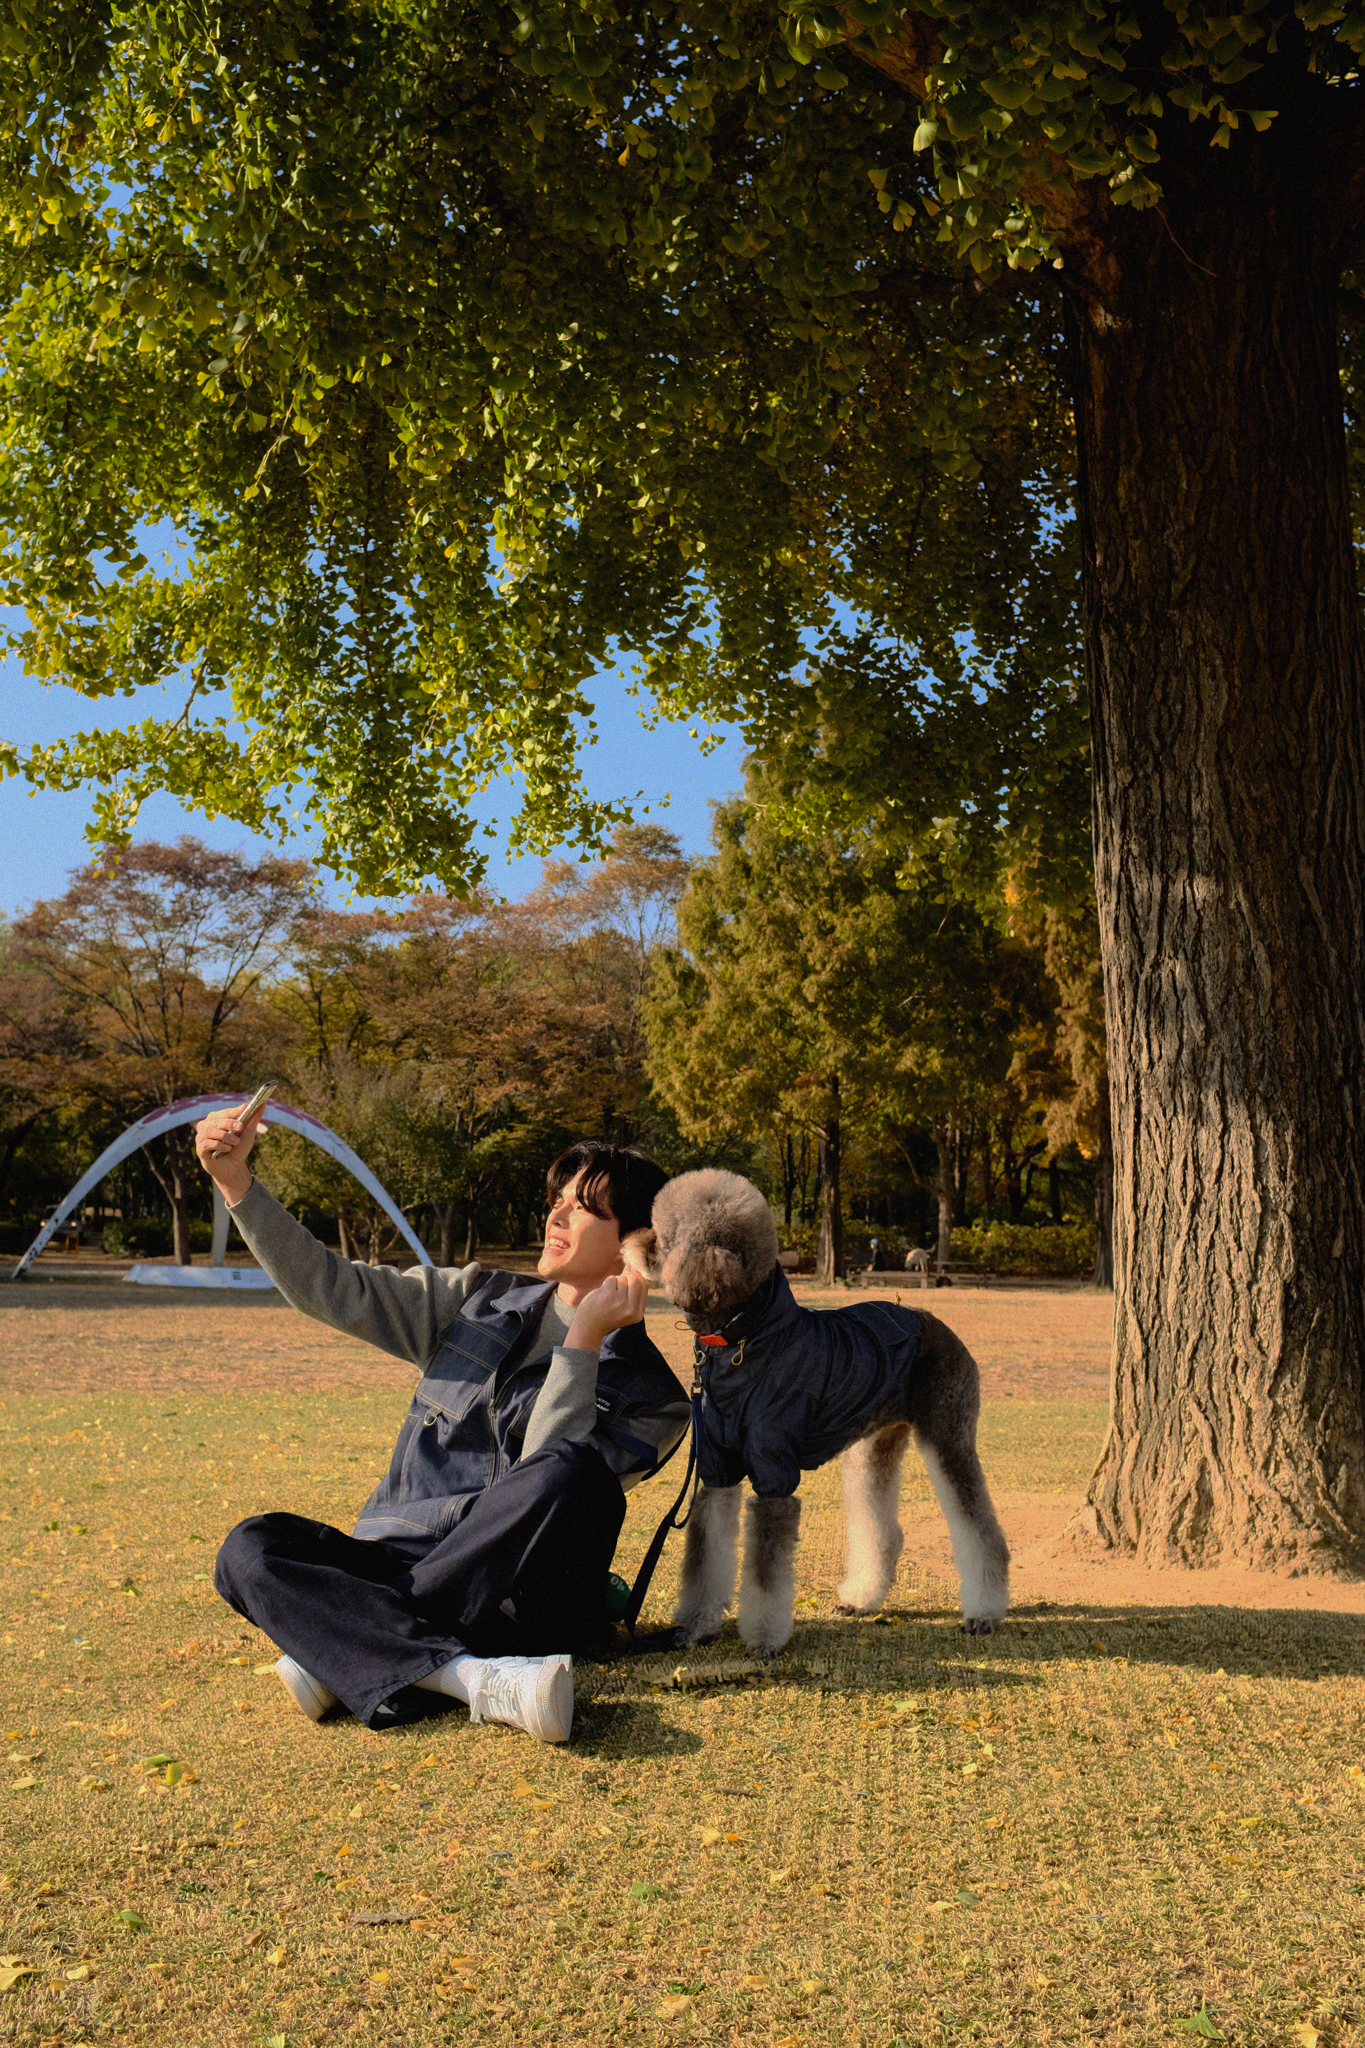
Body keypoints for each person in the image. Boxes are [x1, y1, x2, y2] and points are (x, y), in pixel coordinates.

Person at [195, 1105, 688, 1743]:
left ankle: (352, 1645)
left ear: (636, 1242)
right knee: (250, 1548)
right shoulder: (474, 1298)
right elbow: (333, 1287)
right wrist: (237, 1182)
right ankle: (472, 1680)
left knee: (571, 1471)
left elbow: (546, 1490)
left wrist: (587, 1338)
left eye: (585, 1206)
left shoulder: (656, 1399)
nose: (557, 1214)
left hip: (514, 1596)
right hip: (397, 1558)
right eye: (555, 1199)